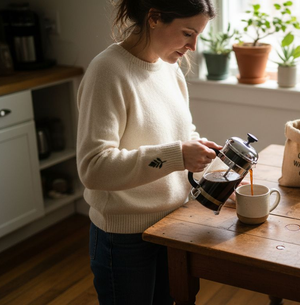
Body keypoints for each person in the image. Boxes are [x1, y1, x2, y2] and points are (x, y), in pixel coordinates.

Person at [76, 0, 218, 304]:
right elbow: (93, 167)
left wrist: (215, 175)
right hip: (124, 238)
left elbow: (184, 135)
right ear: (154, 18)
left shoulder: (170, 69)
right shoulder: (108, 71)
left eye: (198, 36)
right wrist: (178, 155)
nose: (193, 46)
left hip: (172, 227)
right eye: (187, 33)